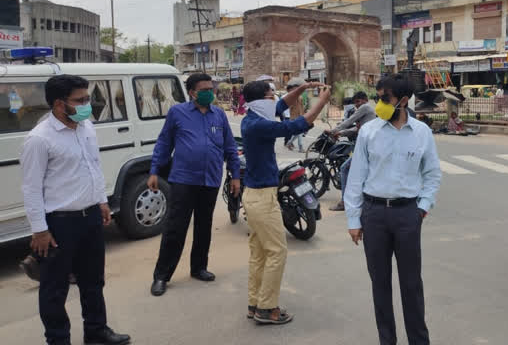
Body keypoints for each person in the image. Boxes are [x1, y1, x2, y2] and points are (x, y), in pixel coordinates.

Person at [20, 74, 130, 345]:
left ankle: (96, 331)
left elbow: (93, 165)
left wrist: (101, 200)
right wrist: (40, 230)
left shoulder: (86, 127)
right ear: (59, 104)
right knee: (54, 289)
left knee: (93, 281)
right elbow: (31, 188)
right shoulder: (39, 139)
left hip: (90, 217)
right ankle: (58, 340)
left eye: (87, 98)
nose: (87, 105)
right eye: (80, 100)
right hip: (59, 224)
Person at [345, 74, 443, 345]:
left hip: (407, 215)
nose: (378, 104)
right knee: (380, 284)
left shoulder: (422, 132)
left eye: (384, 98)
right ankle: (387, 340)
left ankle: (419, 341)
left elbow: (433, 174)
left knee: (412, 284)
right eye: (377, 97)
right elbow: (356, 177)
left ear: (402, 101)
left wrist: (421, 208)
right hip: (374, 214)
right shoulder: (369, 132)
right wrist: (354, 218)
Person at [240, 79, 331, 324]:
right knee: (277, 251)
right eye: (270, 96)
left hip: (256, 195)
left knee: (259, 253)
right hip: (261, 198)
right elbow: (300, 124)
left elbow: (281, 105)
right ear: (260, 101)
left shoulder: (255, 117)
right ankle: (267, 309)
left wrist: (300, 90)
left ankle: (255, 302)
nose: (275, 99)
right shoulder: (259, 125)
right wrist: (322, 100)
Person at [148, 73, 241, 297]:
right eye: (205, 89)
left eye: (212, 88)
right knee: (175, 228)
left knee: (203, 226)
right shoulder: (177, 113)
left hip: (210, 179)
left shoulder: (219, 115)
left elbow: (230, 147)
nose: (210, 92)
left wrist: (235, 175)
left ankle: (198, 267)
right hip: (183, 180)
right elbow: (164, 143)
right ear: (192, 92)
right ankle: (161, 276)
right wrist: (154, 171)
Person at [329, 91, 376, 212]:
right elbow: (356, 128)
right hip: (366, 145)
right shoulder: (369, 112)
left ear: (365, 100)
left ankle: (344, 202)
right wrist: (341, 133)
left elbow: (350, 120)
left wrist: (334, 131)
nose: (357, 105)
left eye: (358, 102)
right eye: (355, 103)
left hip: (366, 147)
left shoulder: (365, 107)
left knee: (345, 168)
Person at [284, 82, 307, 152]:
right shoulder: (291, 97)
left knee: (298, 132)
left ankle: (289, 143)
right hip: (294, 117)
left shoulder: (300, 97)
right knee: (299, 132)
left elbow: (302, 107)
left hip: (300, 116)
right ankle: (300, 147)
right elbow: (290, 107)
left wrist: (303, 115)